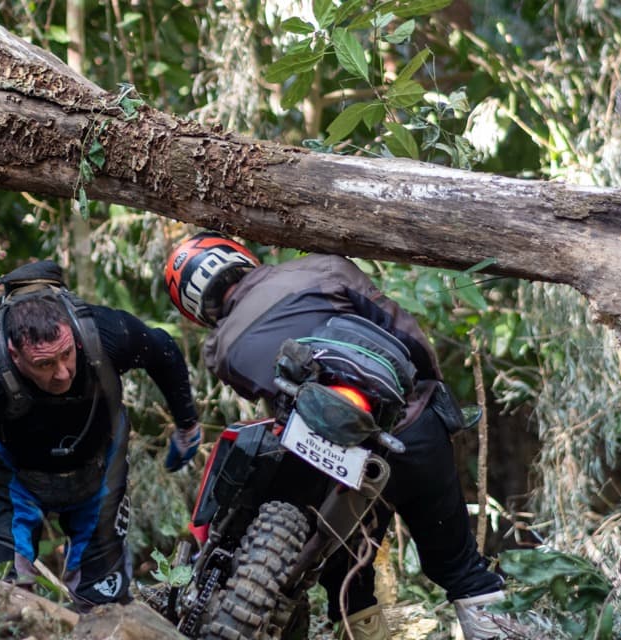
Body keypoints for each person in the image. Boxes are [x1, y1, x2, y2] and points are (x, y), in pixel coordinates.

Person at [164, 232, 509, 639]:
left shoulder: (220, 350)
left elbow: (271, 396)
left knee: (348, 586)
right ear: (238, 256)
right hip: (413, 431)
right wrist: (430, 392)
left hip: (328, 462)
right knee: (460, 567)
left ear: (195, 309)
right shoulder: (322, 267)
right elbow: (406, 334)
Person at [0, 259, 203, 611]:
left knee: (103, 607)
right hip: (14, 478)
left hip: (100, 466)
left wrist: (187, 425)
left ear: (72, 335)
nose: (62, 374)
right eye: (44, 364)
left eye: (66, 355)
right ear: (15, 355)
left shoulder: (105, 333)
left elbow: (162, 350)